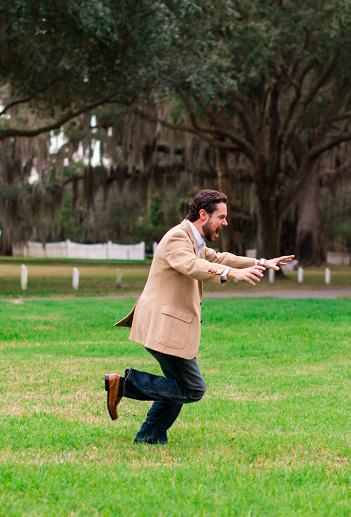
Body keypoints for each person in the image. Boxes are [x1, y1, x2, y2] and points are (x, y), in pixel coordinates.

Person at [104, 189, 294, 444]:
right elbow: (192, 266)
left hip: (168, 325)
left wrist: (260, 261)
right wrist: (230, 273)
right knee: (192, 388)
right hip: (163, 326)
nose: (225, 223)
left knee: (177, 385)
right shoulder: (177, 238)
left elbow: (218, 257)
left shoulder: (194, 240)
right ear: (203, 214)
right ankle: (125, 385)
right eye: (222, 217)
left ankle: (149, 437)